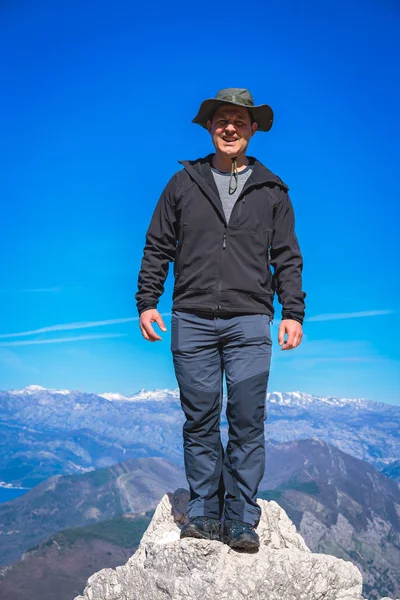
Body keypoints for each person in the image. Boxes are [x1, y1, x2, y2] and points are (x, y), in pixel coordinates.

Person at [135, 88, 306, 551]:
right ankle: (205, 512)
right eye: (221, 120)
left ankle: (241, 518)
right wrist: (147, 301)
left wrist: (293, 312)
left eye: (239, 121)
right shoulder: (182, 184)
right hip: (190, 319)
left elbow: (287, 257)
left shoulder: (272, 190)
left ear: (252, 129)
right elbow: (158, 246)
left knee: (248, 418)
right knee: (201, 419)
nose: (229, 128)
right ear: (210, 129)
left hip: (250, 321)